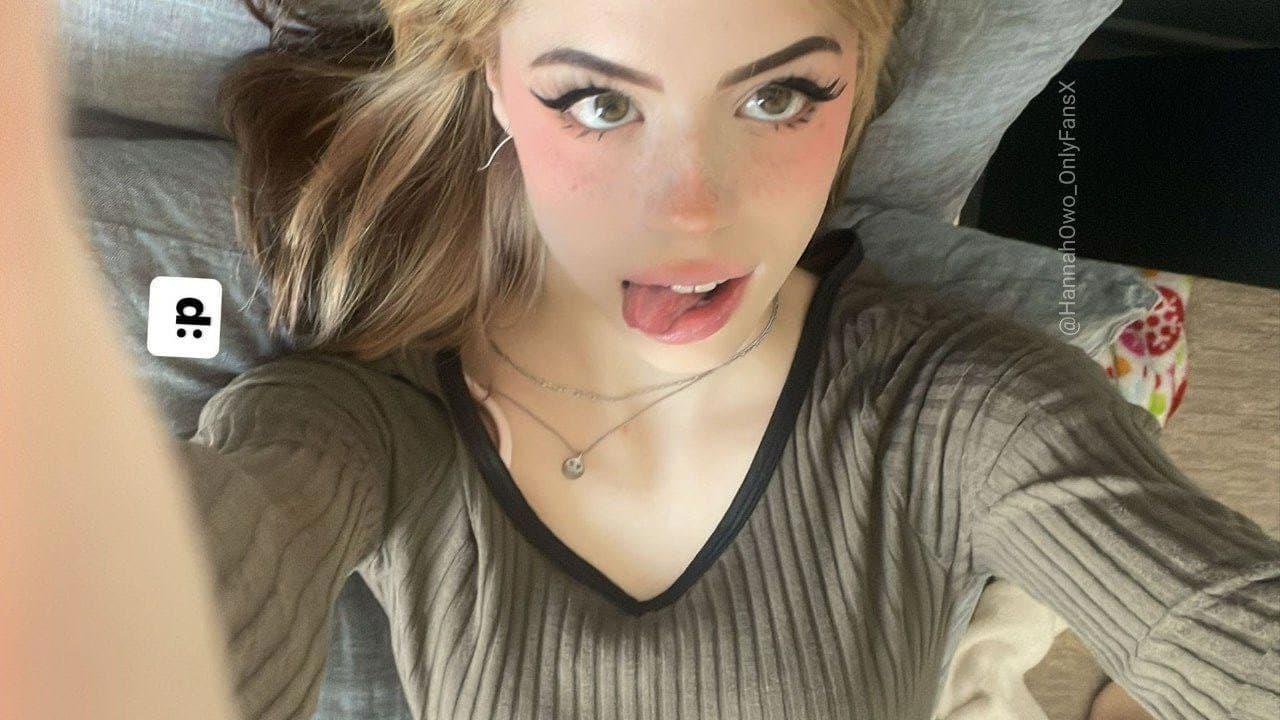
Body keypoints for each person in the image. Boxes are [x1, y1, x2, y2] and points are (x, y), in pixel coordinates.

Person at [4, 2, 1277, 720]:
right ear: (491, 85)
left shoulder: (964, 411)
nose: (691, 213)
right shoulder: (373, 415)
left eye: (777, 97)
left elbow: (1209, 623)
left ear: (856, 88)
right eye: (599, 102)